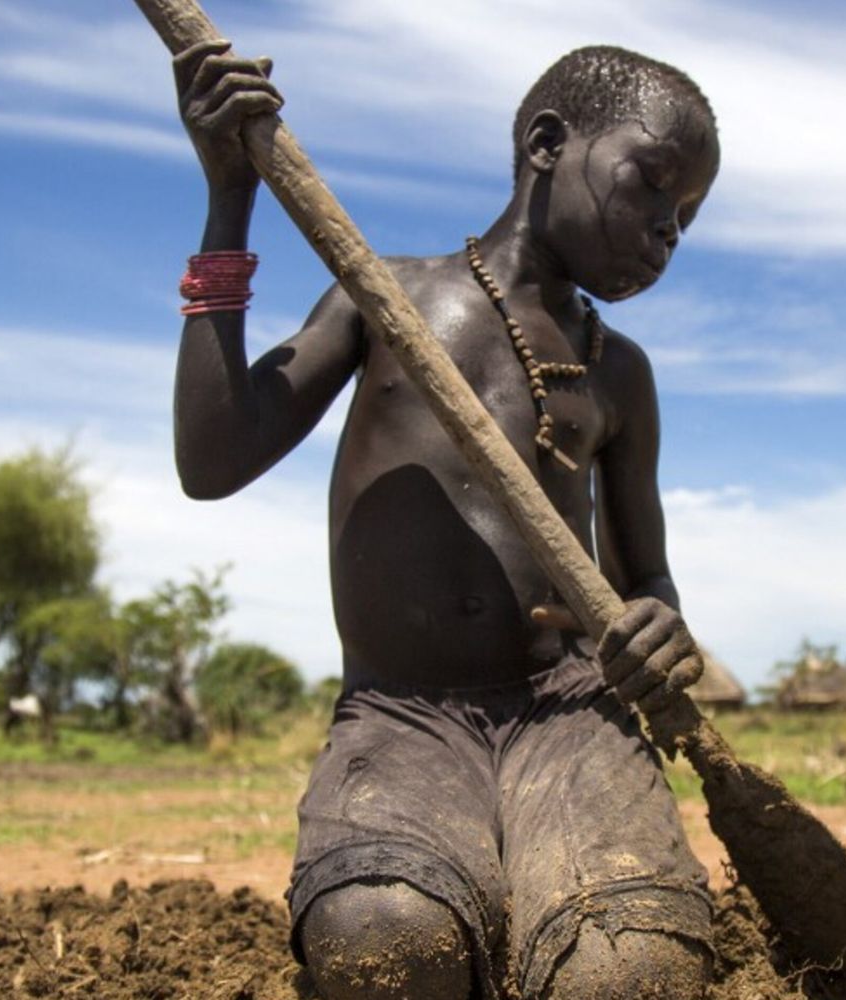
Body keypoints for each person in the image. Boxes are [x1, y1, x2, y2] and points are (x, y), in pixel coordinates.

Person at [171, 41, 721, 1000]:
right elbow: (213, 461)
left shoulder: (621, 371)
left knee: (630, 972)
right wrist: (231, 199)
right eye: (653, 187)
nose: (665, 233)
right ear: (548, 143)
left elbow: (648, 579)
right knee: (387, 945)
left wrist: (660, 628)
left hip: (572, 720)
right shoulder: (386, 297)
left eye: (684, 219)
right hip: (403, 718)